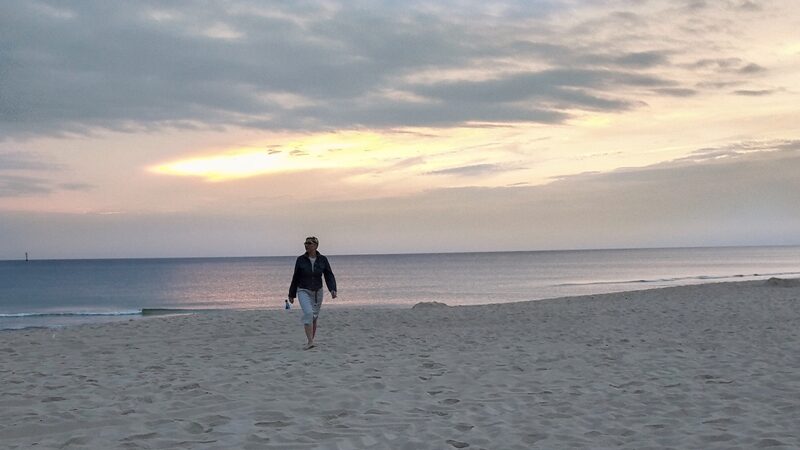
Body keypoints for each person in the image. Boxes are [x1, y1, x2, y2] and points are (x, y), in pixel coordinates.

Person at [288, 236, 337, 350]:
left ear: (315, 245)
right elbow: (295, 277)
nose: (306, 245)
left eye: (309, 243)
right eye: (305, 243)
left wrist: (333, 289)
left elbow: (329, 274)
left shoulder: (323, 260)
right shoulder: (300, 260)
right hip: (303, 290)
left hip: (317, 292)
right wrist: (291, 294)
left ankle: (311, 340)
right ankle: (310, 341)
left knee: (314, 317)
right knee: (309, 314)